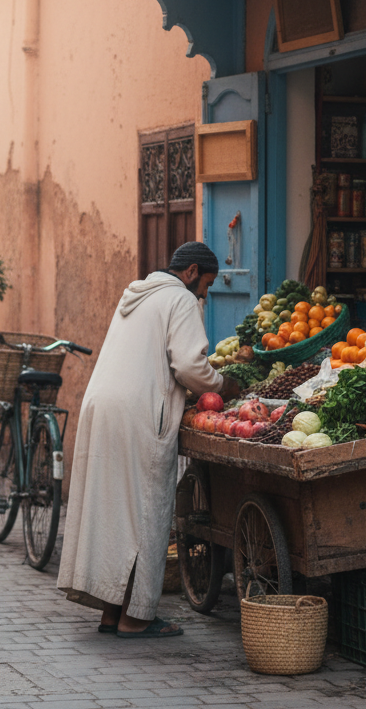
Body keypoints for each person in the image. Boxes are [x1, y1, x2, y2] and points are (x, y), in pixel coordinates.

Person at [56, 241, 235, 639]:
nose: (205, 293)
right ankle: (135, 619)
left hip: (101, 408)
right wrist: (223, 383)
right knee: (146, 513)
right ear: (191, 272)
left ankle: (111, 612)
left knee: (114, 515)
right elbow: (189, 365)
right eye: (205, 283)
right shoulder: (181, 300)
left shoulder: (137, 296)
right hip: (137, 415)